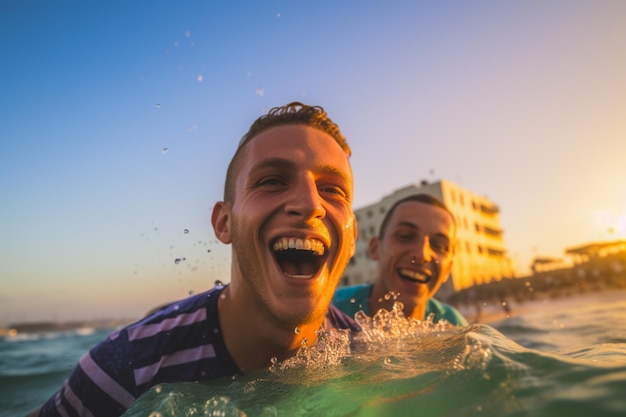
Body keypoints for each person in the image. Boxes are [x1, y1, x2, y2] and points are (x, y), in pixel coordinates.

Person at [29, 102, 360, 417]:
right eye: (272, 181)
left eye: (333, 190)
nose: (310, 204)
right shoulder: (125, 369)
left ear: (353, 235)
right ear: (223, 223)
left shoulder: (364, 355)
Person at [333, 194, 468, 326]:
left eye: (438, 245)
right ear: (375, 249)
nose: (422, 255)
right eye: (406, 236)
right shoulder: (330, 311)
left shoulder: (453, 326)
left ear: (448, 269)